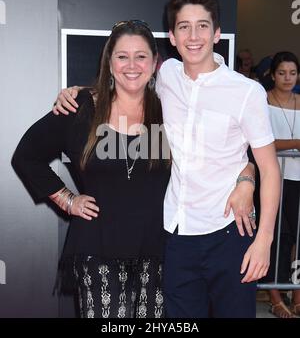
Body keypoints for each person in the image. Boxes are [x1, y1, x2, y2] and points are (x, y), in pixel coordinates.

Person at [54, 0, 281, 318]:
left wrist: (263, 239)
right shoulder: (167, 76)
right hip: (175, 238)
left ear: (217, 33)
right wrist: (78, 92)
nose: (193, 36)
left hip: (229, 233)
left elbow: (270, 168)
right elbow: (127, 80)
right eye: (184, 27)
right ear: (172, 37)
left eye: (202, 26)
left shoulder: (246, 92)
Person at [12, 19, 255, 319]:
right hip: (97, 249)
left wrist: (247, 181)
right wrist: (68, 200)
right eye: (122, 56)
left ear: (155, 63)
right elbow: (26, 155)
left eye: (141, 56)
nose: (132, 65)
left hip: (159, 250)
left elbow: (230, 156)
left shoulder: (172, 109)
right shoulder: (81, 107)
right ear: (109, 61)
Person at [265, 51, 300, 318]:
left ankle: (297, 295)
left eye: (293, 73)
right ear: (272, 74)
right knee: (277, 237)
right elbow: (263, 141)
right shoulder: (263, 101)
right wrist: (297, 144)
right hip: (274, 179)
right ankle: (275, 297)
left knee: (298, 239)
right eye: (282, 73)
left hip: (298, 179)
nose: (287, 78)